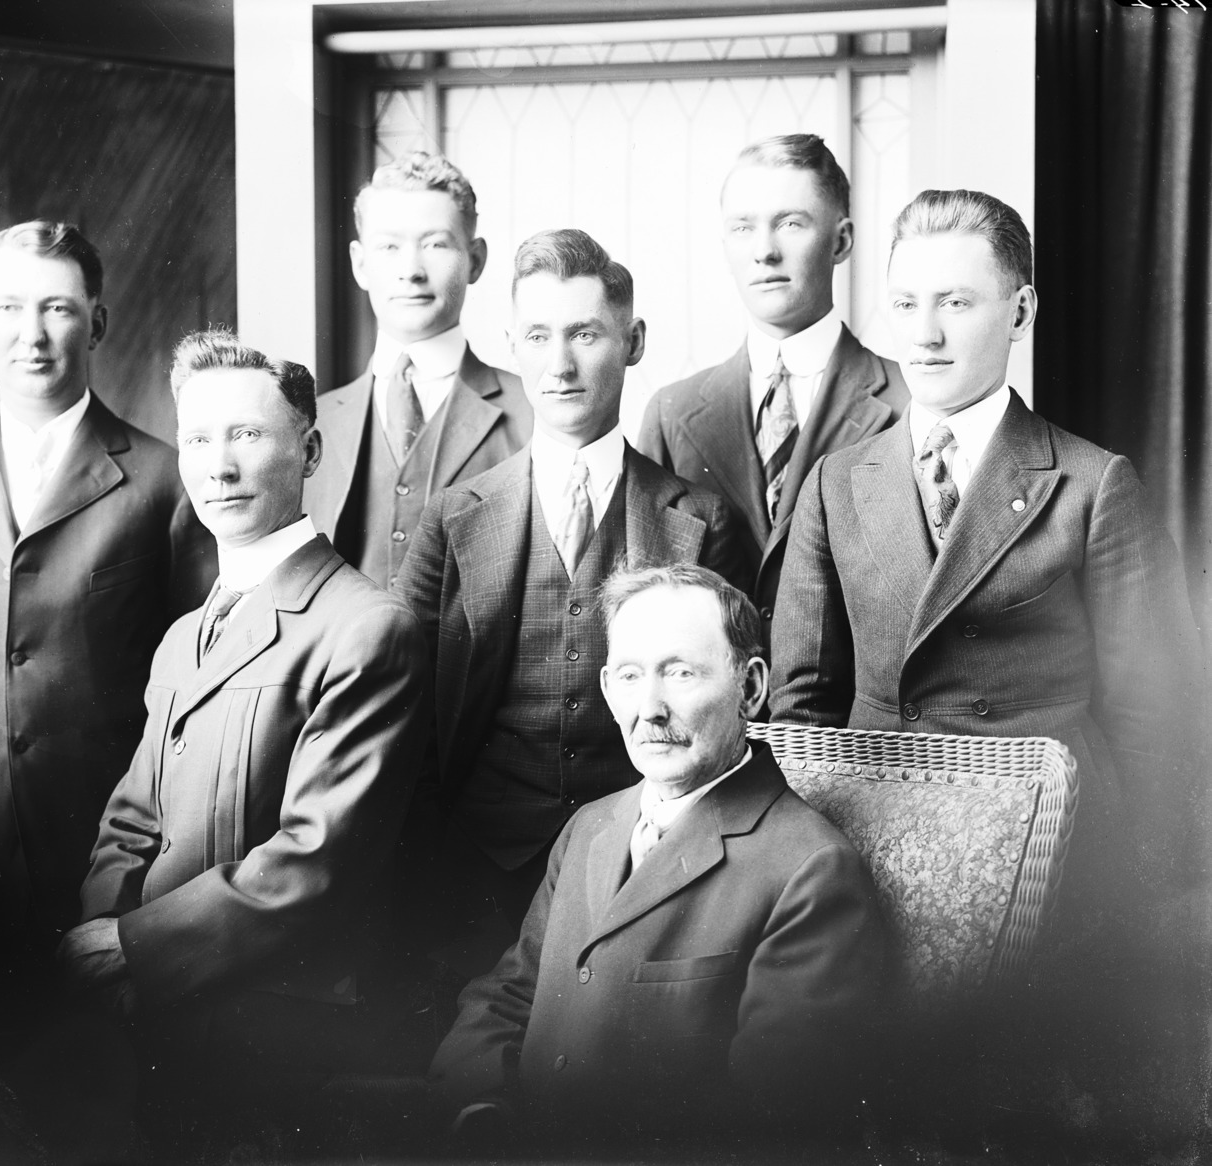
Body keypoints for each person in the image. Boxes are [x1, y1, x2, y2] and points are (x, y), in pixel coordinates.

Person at [769, 189, 1209, 1140]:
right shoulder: (837, 483)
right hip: (872, 857)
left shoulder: (1090, 485)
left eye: (957, 303)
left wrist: (1132, 899)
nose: (924, 335)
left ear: (1020, 311)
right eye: (906, 303)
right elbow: (799, 710)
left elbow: (1157, 722)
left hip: (1048, 870)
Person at [58, 329, 431, 1146]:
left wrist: (131, 947)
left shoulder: (366, 626)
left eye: (247, 435)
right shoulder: (182, 636)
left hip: (272, 1030)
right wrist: (103, 944)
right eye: (197, 440)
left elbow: (314, 860)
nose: (218, 466)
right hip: (152, 1013)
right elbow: (130, 820)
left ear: (310, 451)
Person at [429, 563, 885, 1150]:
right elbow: (507, 996)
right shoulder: (591, 826)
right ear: (606, 689)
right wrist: (481, 1110)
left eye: (680, 673)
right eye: (629, 675)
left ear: (750, 689)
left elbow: (772, 1125)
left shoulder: (810, 870)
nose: (649, 708)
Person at [394, 229, 749, 977]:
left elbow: (737, 718)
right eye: (538, 336)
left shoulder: (703, 522)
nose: (559, 364)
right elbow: (404, 712)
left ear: (633, 342)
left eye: (585, 334)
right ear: (512, 347)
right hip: (474, 871)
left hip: (643, 869)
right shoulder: (453, 519)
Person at [0, 220, 215, 978]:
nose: (31, 334)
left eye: (58, 308)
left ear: (96, 323)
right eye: (8, 308)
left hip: (105, 834)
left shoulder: (167, 483)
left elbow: (198, 687)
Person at [637, 133, 908, 630]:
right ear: (725, 247)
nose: (764, 251)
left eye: (790, 223)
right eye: (743, 228)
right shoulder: (671, 413)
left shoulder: (907, 400)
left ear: (841, 241)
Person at [304, 151, 532, 588]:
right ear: (359, 263)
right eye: (389, 247)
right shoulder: (314, 423)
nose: (410, 271)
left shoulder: (532, 411)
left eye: (435, 244)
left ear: (475, 260)